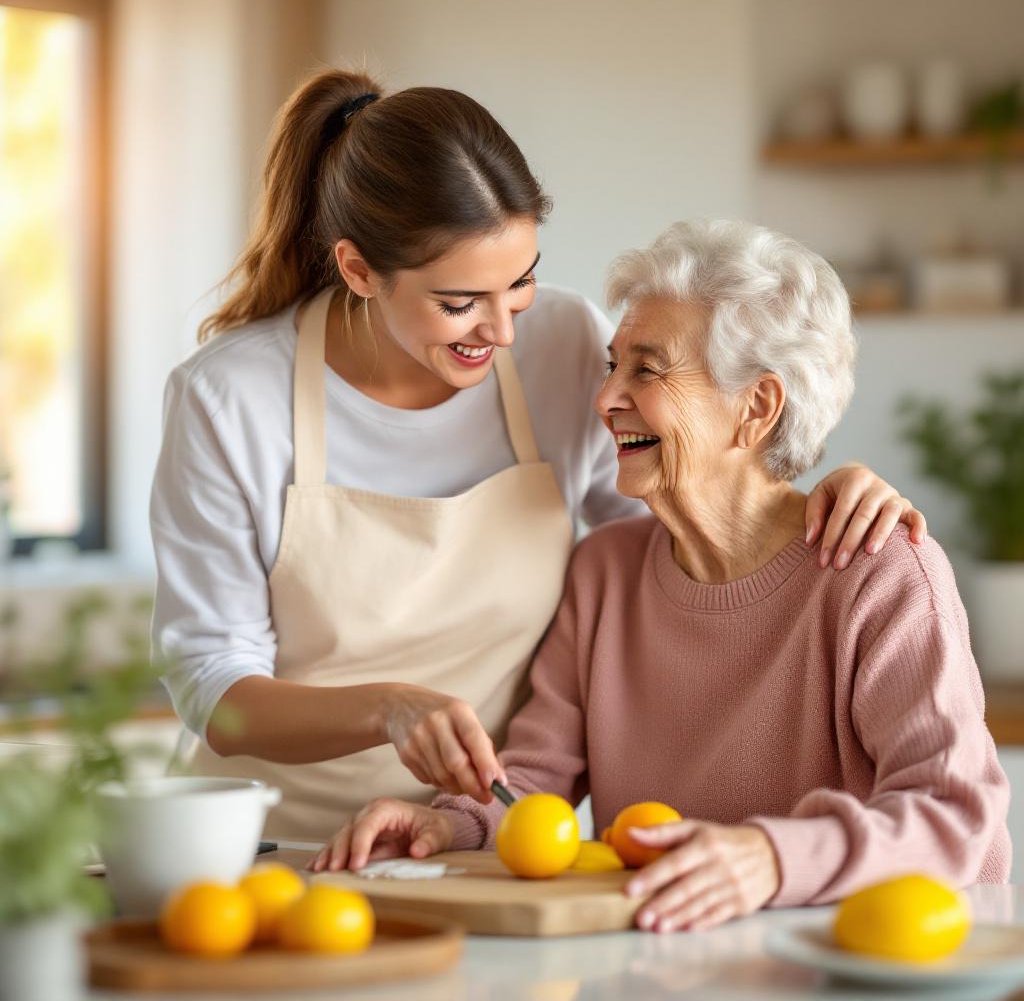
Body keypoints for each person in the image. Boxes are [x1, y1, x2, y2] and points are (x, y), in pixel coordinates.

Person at [151, 70, 927, 841]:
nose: (503, 333)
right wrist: (388, 709)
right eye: (459, 304)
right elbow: (213, 686)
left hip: (466, 837)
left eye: (520, 283)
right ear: (358, 270)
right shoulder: (231, 398)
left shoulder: (562, 342)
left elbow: (685, 530)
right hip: (264, 840)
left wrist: (813, 487)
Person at [313, 220, 1009, 933]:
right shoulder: (604, 573)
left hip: (854, 965)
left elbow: (954, 814)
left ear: (757, 408)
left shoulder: (878, 573)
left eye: (646, 370)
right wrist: (448, 826)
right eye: (613, 366)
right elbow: (529, 784)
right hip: (665, 965)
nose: (606, 398)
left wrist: (772, 858)